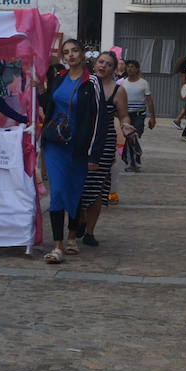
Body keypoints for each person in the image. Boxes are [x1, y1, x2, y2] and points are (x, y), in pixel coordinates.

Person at [39, 38, 105, 264]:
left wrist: (94, 154)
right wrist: (37, 89)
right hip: (55, 144)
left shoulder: (92, 82)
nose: (71, 55)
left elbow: (99, 119)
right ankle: (57, 246)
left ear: (82, 53)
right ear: (63, 57)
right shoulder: (59, 78)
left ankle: (72, 236)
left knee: (74, 191)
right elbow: (49, 103)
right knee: (57, 191)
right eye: (66, 52)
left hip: (78, 146)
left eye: (75, 50)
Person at [77, 52, 132, 246]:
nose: (103, 66)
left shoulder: (118, 90)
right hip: (82, 140)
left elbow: (123, 115)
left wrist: (126, 125)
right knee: (79, 184)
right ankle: (81, 218)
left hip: (104, 142)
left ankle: (90, 232)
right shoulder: (84, 84)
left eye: (108, 64)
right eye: (100, 62)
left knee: (97, 186)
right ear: (94, 64)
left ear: (114, 69)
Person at [118, 59, 155, 171]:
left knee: (134, 136)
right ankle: (133, 161)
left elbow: (149, 101)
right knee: (130, 137)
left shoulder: (143, 83)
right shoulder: (121, 83)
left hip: (139, 115)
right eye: (128, 66)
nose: (129, 69)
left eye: (132, 67)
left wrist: (152, 117)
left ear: (137, 69)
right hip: (126, 115)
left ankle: (132, 156)